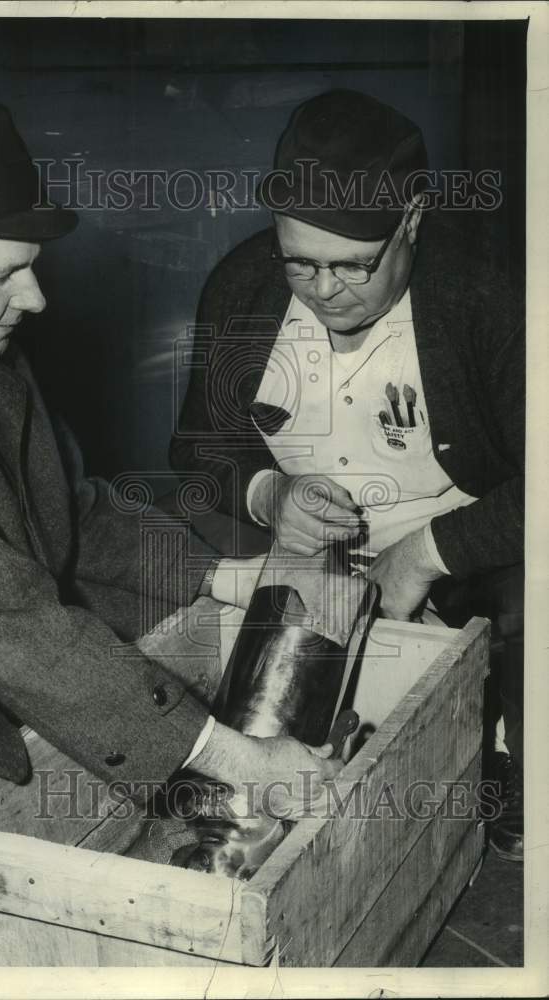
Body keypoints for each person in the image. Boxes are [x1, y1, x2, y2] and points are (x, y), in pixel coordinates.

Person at [0, 102, 339, 966]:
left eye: (32, 270)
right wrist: (233, 754)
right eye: (5, 275)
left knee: (76, 680)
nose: (35, 298)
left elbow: (69, 512)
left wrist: (236, 575)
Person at [171, 90, 524, 862]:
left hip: (455, 533)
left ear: (413, 220)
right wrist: (271, 494)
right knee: (175, 552)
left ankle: (510, 770)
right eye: (300, 261)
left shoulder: (489, 301)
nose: (325, 289)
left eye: (354, 266)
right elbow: (198, 450)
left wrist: (430, 552)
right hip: (304, 542)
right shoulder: (242, 289)